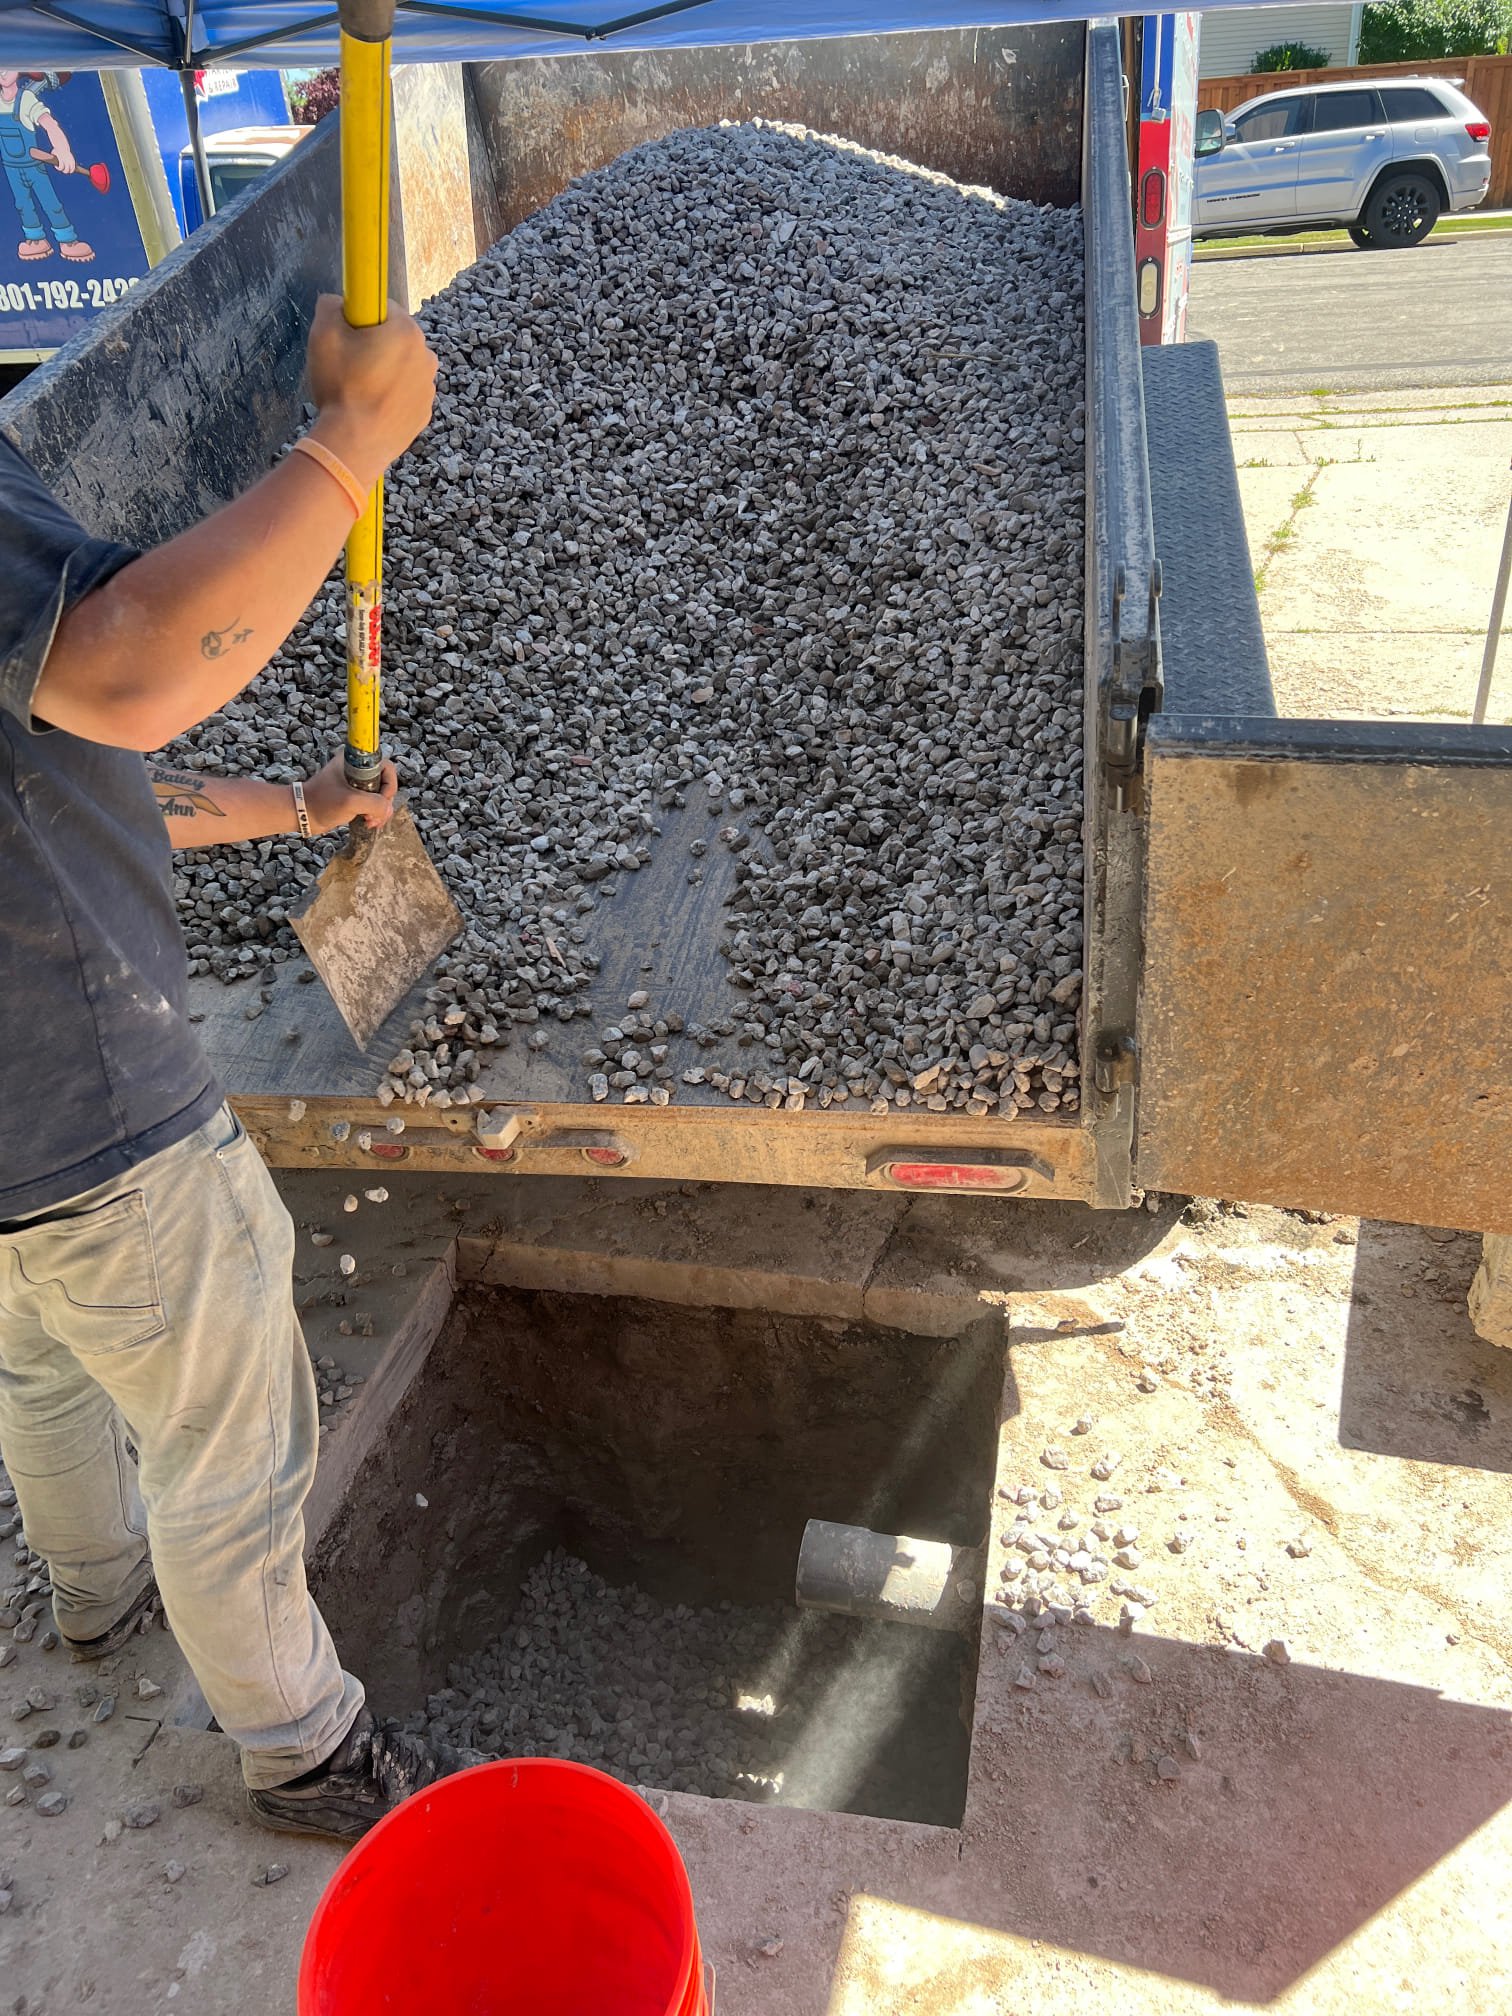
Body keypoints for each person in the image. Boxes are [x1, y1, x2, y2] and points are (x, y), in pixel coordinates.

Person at [0, 294, 475, 1839]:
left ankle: (93, 1598)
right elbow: (125, 674)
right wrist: (351, 444)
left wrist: (297, 809)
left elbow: (68, 762)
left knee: (43, 1368)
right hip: (96, 1114)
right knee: (225, 1439)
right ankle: (306, 1751)